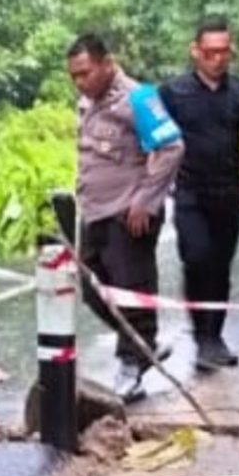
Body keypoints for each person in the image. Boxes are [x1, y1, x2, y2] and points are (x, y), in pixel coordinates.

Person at [66, 33, 185, 404]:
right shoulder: (88, 101)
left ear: (106, 63)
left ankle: (132, 367)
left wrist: (145, 201)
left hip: (128, 215)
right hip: (96, 211)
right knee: (92, 289)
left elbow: (171, 147)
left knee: (131, 292)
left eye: (85, 73)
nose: (80, 83)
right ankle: (145, 343)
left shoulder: (139, 98)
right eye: (74, 77)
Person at [159, 17, 239, 371]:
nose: (217, 59)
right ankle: (200, 334)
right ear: (196, 52)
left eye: (224, 52)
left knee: (220, 266)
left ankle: (214, 337)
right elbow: (153, 138)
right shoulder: (173, 92)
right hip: (189, 191)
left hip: (228, 192)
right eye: (210, 52)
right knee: (196, 259)